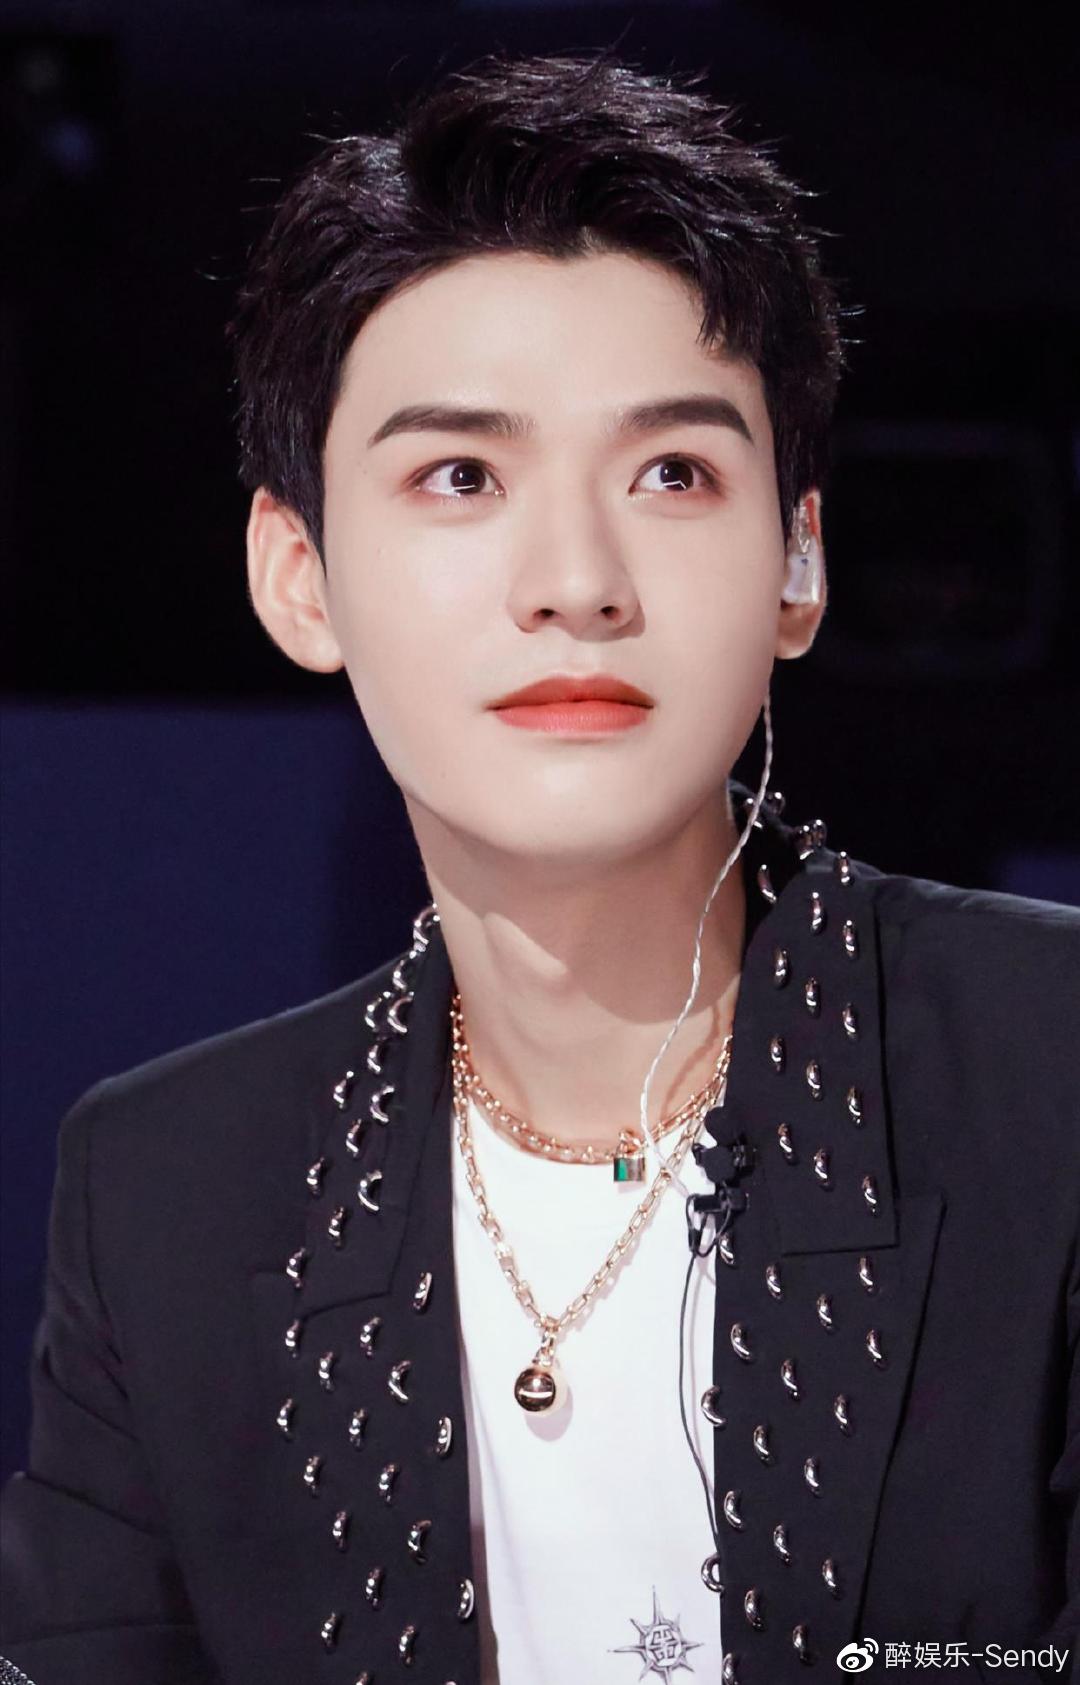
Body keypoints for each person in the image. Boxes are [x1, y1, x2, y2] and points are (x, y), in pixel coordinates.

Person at [2, 48, 1077, 1685]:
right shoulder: (169, 1194)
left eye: (672, 474)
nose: (576, 579)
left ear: (796, 560)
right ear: (299, 577)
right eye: (462, 477)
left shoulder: (1047, 1069)